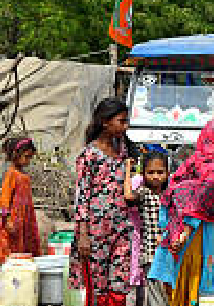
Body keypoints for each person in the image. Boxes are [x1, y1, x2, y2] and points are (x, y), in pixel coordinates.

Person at [148, 119, 214, 306]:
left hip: (177, 231)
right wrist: (185, 231)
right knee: (196, 280)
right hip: (196, 233)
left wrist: (168, 229)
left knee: (181, 282)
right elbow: (199, 203)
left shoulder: (193, 162)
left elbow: (174, 191)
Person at [69, 97, 139, 306]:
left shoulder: (124, 150)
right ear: (105, 122)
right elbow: (81, 197)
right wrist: (83, 235)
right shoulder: (89, 155)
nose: (125, 127)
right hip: (95, 232)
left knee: (119, 284)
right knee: (98, 288)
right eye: (121, 121)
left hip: (121, 229)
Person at [126, 151, 172, 306]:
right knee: (154, 295)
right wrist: (128, 171)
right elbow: (128, 197)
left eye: (160, 172)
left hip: (170, 253)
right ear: (143, 174)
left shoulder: (170, 194)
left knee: (167, 293)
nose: (156, 176)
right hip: (151, 254)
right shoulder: (144, 193)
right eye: (151, 172)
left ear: (167, 173)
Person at [0, 137, 42, 263]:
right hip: (14, 221)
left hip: (25, 220)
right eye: (26, 156)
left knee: (26, 250)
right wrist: (7, 220)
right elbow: (5, 199)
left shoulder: (23, 175)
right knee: (13, 252)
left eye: (30, 157)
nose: (29, 160)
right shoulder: (11, 174)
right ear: (15, 155)